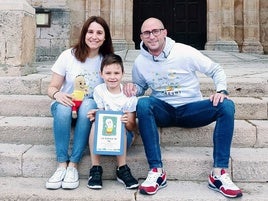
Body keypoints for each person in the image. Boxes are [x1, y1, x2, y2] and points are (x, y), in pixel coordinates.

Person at [123, 17, 243, 198]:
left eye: (156, 31)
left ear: (164, 32)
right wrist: (133, 89)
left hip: (191, 109)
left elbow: (215, 69)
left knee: (226, 105)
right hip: (163, 111)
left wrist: (221, 90)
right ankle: (156, 171)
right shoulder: (140, 62)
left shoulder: (184, 52)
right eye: (147, 33)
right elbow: (141, 88)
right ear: (141, 37)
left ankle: (219, 173)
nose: (152, 36)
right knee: (143, 102)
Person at [46, 16, 114, 190]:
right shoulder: (68, 55)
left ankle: (73, 165)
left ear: (105, 37)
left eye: (99, 33)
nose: (94, 36)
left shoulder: (107, 60)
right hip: (67, 106)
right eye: (90, 32)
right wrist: (57, 94)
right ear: (84, 34)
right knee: (62, 109)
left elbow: (113, 89)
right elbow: (51, 87)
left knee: (88, 104)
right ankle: (61, 164)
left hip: (88, 111)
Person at [86, 53, 139, 190]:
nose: (112, 77)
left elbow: (132, 126)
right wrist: (96, 114)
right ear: (101, 74)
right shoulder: (99, 90)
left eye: (116, 72)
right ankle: (95, 168)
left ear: (122, 74)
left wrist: (126, 120)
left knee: (119, 124)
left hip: (125, 136)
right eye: (108, 73)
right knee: (96, 123)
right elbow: (102, 113)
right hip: (104, 139)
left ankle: (122, 168)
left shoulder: (129, 96)